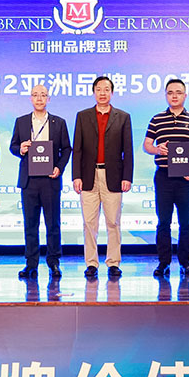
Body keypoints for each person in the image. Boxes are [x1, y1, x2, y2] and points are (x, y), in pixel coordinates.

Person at [143, 78, 189, 277]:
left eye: (178, 92)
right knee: (163, 222)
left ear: (185, 95)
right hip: (163, 177)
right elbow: (146, 145)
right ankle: (164, 263)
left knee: (186, 222)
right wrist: (156, 149)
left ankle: (185, 263)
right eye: (170, 92)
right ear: (166, 95)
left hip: (185, 178)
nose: (174, 96)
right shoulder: (157, 119)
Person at [72, 75, 133, 279]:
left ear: (112, 93)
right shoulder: (83, 116)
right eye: (99, 89)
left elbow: (128, 150)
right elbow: (77, 149)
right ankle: (91, 263)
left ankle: (113, 262)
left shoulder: (123, 117)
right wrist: (76, 176)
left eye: (106, 89)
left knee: (113, 222)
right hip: (88, 176)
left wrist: (127, 177)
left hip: (113, 176)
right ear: (94, 92)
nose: (103, 93)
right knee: (89, 223)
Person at [10, 84, 72, 279]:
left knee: (53, 224)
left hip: (50, 180)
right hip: (29, 180)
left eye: (43, 95)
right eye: (35, 95)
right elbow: (13, 146)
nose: (39, 98)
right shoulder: (21, 121)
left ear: (48, 99)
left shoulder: (58, 122)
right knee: (30, 225)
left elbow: (67, 149)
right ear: (30, 98)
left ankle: (54, 263)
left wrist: (59, 168)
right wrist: (20, 149)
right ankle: (31, 264)